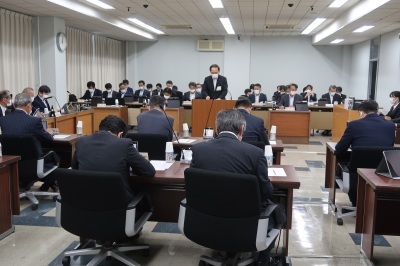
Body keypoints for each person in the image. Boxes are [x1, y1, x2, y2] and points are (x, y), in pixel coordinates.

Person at [190, 109, 283, 265]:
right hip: (246, 224)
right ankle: (261, 260)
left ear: (216, 129)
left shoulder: (199, 150)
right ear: (242, 130)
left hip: (207, 221)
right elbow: (266, 192)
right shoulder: (255, 153)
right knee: (280, 210)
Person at [72, 115, 155, 202]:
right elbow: (149, 171)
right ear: (120, 134)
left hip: (86, 202)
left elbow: (75, 168)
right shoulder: (124, 144)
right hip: (118, 205)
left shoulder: (81, 141)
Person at [335, 100, 395, 206]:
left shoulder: (354, 125)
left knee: (341, 163)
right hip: (382, 171)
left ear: (361, 112)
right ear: (377, 111)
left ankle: (356, 201)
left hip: (358, 171)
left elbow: (339, 148)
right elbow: (389, 145)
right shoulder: (390, 125)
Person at [0, 93, 57, 191]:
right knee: (55, 156)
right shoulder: (34, 121)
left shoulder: (3, 120)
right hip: (32, 164)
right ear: (29, 105)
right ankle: (47, 185)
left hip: (12, 164)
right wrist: (49, 132)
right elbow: (49, 139)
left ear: (14, 105)